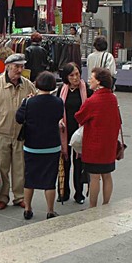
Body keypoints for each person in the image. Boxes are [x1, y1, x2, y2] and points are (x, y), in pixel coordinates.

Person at [0, 53, 37, 210]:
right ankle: (3, 197)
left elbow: (35, 105)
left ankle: (19, 196)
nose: (19, 70)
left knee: (20, 167)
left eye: (21, 67)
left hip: (21, 134)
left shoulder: (27, 85)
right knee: (2, 168)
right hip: (2, 133)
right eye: (16, 67)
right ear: (7, 67)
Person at [16, 72, 64, 220]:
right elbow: (58, 117)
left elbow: (19, 118)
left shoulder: (29, 102)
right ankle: (50, 210)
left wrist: (25, 102)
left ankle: (28, 209)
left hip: (32, 145)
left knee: (29, 178)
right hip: (52, 145)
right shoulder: (58, 102)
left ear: (36, 84)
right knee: (50, 180)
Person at [74, 67, 121, 208]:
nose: (89, 80)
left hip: (94, 144)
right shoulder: (113, 98)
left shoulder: (92, 100)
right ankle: (106, 204)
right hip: (109, 143)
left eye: (92, 78)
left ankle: (92, 207)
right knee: (107, 175)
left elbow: (79, 117)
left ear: (99, 82)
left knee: (94, 177)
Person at [58, 62, 92, 204]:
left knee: (79, 163)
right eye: (72, 75)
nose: (75, 78)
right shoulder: (62, 89)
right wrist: (59, 120)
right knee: (65, 163)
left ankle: (79, 194)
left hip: (81, 131)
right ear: (66, 77)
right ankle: (63, 192)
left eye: (77, 74)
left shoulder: (86, 89)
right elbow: (58, 107)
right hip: (65, 131)